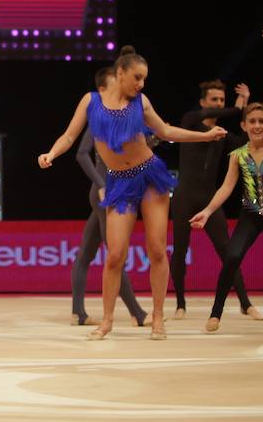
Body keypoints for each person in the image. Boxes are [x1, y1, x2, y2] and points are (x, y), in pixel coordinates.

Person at [38, 46, 226, 340]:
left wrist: (204, 135)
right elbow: (70, 136)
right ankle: (108, 322)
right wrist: (51, 153)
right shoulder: (91, 101)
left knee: (155, 248)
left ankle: (159, 318)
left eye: (144, 79)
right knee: (114, 255)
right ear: (121, 72)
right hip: (119, 182)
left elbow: (165, 131)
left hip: (149, 176)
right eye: (137, 77)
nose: (141, 84)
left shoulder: (142, 102)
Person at [189, 103, 263, 333]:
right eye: (252, 122)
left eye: (261, 121)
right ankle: (216, 313)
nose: (257, 126)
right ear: (244, 126)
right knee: (232, 256)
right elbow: (226, 187)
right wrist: (207, 211)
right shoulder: (238, 155)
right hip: (250, 215)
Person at [169, 80, 261, 320]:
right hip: (184, 198)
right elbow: (211, 115)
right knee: (179, 251)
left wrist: (246, 109)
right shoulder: (190, 121)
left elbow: (244, 143)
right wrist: (238, 106)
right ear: (203, 103)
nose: (219, 105)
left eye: (222, 100)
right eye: (215, 100)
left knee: (229, 252)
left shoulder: (221, 135)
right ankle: (180, 304)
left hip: (209, 201)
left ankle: (245, 303)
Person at [70, 67, 148, 327]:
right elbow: (81, 153)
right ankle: (138, 313)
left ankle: (78, 312)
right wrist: (101, 183)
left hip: (110, 190)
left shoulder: (122, 114)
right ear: (102, 90)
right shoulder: (99, 115)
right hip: (106, 191)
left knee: (86, 253)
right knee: (116, 255)